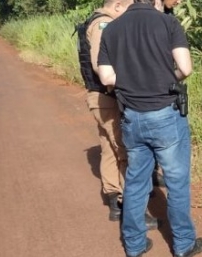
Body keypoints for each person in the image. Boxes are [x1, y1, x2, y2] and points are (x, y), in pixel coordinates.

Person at [97, 1, 202, 257]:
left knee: (135, 182)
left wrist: (133, 82)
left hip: (132, 117)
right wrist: (165, 79)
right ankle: (182, 246)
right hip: (165, 114)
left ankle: (134, 247)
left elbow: (106, 77)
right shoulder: (168, 23)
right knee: (177, 182)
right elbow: (186, 68)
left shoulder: (112, 29)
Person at [76, 0, 159, 229]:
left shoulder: (94, 20)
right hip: (108, 98)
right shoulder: (104, 24)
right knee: (127, 153)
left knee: (110, 151)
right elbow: (99, 64)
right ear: (118, 5)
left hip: (100, 99)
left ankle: (115, 202)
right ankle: (135, 213)